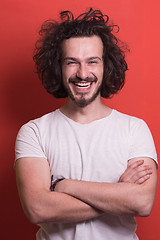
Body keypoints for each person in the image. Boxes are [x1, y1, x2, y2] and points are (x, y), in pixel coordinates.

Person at [15, 8, 158, 240]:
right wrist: (119, 193)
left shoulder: (135, 129)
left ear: (106, 65)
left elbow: (142, 203)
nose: (83, 73)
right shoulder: (34, 132)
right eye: (72, 62)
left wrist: (64, 185)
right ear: (58, 66)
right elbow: (37, 209)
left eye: (92, 61)